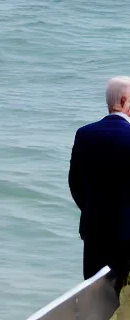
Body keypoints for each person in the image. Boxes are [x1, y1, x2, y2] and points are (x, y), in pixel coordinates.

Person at [69, 76, 130, 282]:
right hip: (127, 240)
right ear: (123, 101)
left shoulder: (85, 134)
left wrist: (92, 210)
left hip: (94, 235)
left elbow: (75, 184)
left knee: (96, 300)